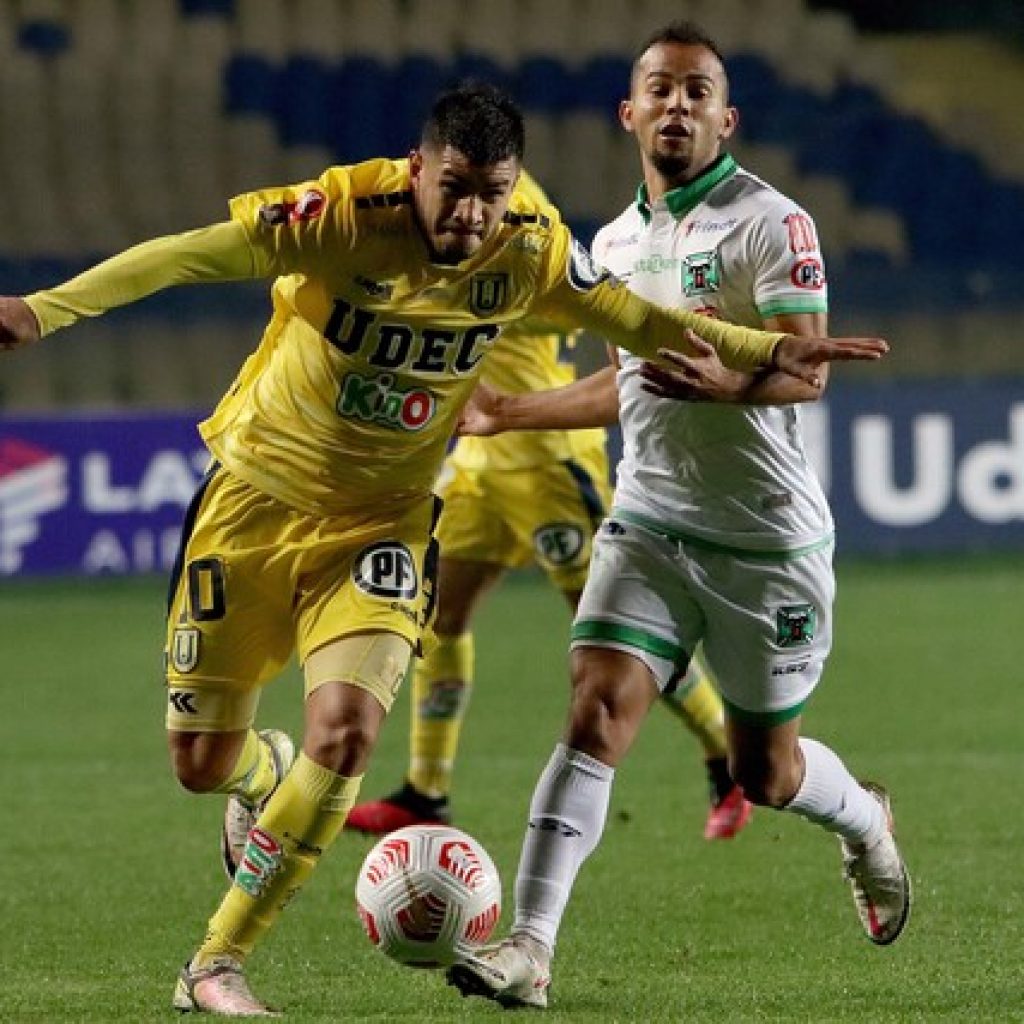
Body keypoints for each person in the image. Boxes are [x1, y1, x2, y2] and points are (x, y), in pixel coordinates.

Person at [0, 82, 887, 1018]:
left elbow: (638, 321)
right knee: (199, 762)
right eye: (454, 189)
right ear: (418, 170)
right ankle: (260, 776)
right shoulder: (342, 215)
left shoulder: (531, 247)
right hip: (253, 500)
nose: (471, 214)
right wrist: (47, 309)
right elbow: (188, 254)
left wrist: (764, 348)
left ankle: (216, 963)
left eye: (491, 193)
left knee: (346, 732)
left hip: (384, 521)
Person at [446, 26, 910, 1012]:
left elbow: (806, 370)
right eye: (660, 88)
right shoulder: (613, 245)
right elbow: (629, 385)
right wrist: (508, 411)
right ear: (629, 112)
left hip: (764, 539)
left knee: (765, 772)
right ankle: (529, 946)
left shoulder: (772, 223)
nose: (677, 105)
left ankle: (865, 819)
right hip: (650, 519)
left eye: (698, 92)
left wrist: (731, 385)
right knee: (595, 706)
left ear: (725, 119)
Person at [345, 169, 752, 844]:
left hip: (549, 463)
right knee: (438, 617)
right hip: (479, 463)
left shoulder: (523, 219)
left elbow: (566, 306)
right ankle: (426, 790)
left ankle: (725, 761)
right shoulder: (448, 210)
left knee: (621, 633)